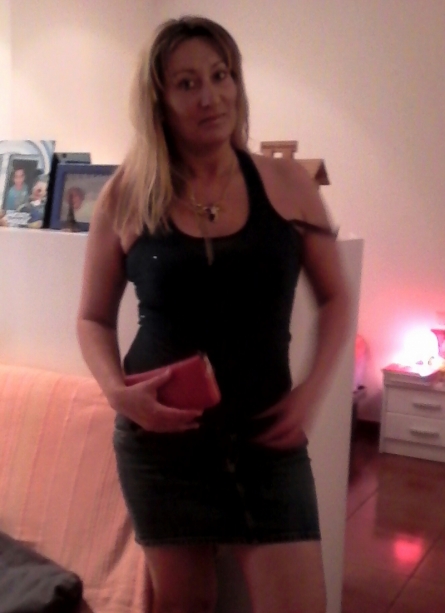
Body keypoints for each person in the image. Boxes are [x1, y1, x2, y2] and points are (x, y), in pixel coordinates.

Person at [77, 16, 351, 613]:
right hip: (162, 448)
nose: (211, 96)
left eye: (221, 75)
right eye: (187, 83)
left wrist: (312, 392)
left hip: (267, 442)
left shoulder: (288, 184)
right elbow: (92, 318)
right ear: (158, 100)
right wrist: (117, 392)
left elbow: (337, 298)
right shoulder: (126, 194)